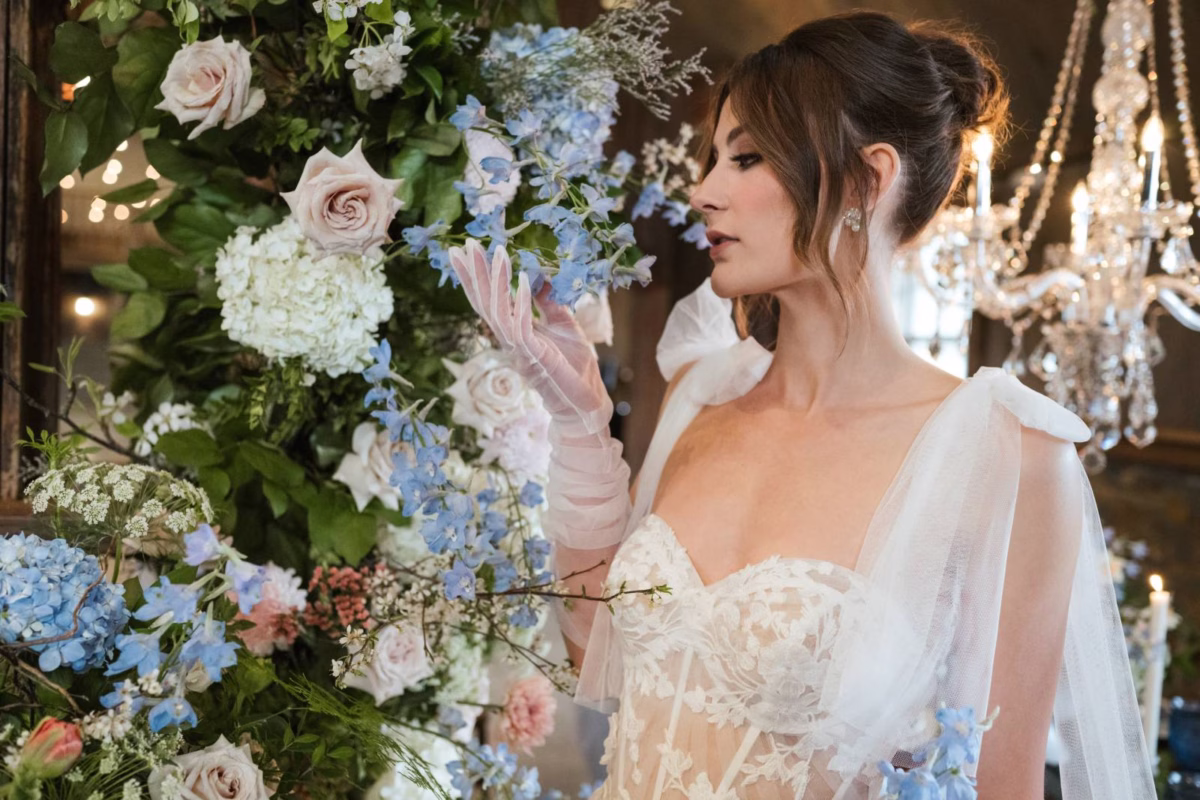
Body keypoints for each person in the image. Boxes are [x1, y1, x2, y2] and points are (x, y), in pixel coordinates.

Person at [447, 10, 1154, 800]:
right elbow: (598, 658)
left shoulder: (1004, 453)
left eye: (747, 158)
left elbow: (1001, 786)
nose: (704, 192)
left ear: (867, 180)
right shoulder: (700, 394)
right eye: (714, 159)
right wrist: (580, 425)